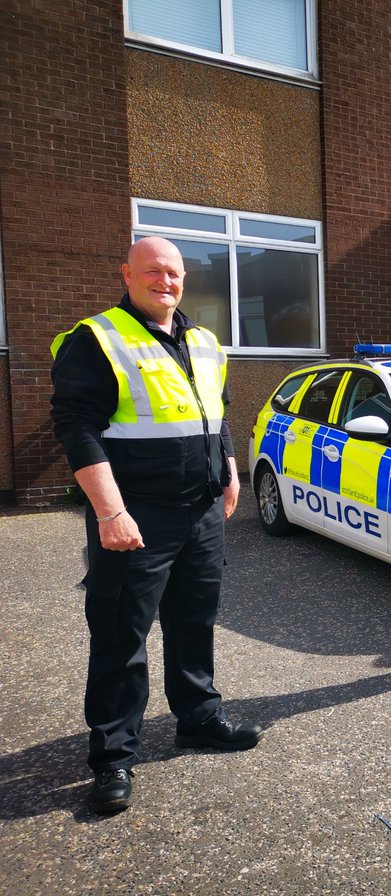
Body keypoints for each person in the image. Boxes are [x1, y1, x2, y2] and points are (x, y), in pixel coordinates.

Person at [50, 237, 263, 815]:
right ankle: (114, 756)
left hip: (200, 510)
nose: (163, 281)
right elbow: (77, 427)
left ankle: (197, 718)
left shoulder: (204, 340)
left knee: (195, 620)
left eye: (172, 273)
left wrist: (230, 471)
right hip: (135, 514)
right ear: (127, 274)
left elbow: (213, 412)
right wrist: (110, 511)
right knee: (121, 636)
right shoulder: (95, 339)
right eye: (151, 272)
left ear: (184, 279)